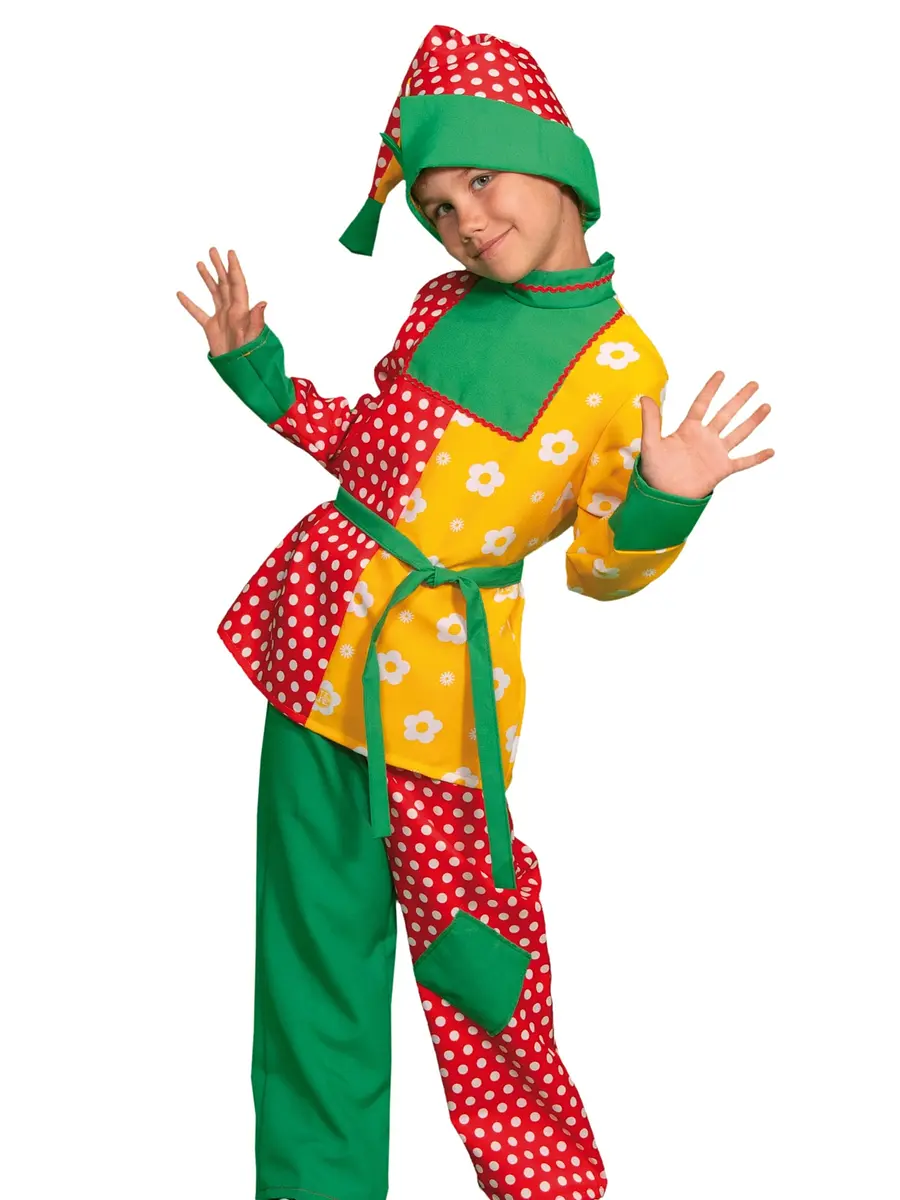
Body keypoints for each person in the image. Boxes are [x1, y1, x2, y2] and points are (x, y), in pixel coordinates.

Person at [176, 23, 773, 1200]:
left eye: (482, 181)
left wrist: (667, 499)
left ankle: (548, 1187)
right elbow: (371, 452)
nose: (464, 221)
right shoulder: (437, 306)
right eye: (438, 206)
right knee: (309, 963)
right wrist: (260, 374)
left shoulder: (622, 368)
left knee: (481, 968)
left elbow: (596, 571)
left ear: (554, 162)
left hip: (440, 704)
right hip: (312, 647)